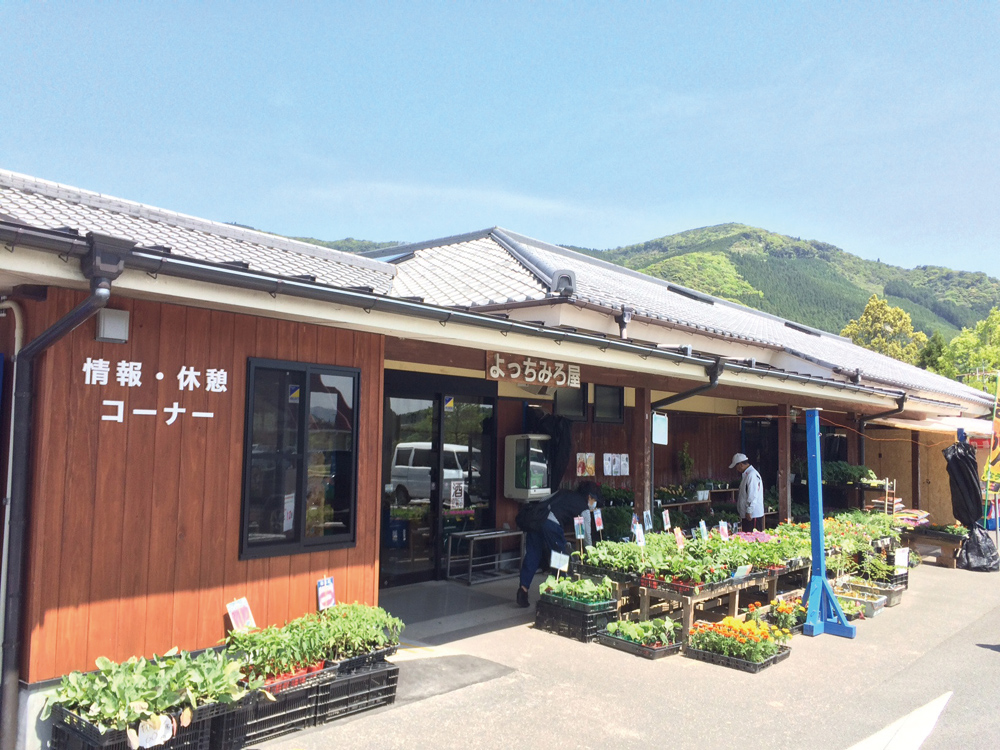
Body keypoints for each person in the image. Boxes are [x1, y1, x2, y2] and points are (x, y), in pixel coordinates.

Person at [515, 481, 601, 608]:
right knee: (560, 557)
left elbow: (543, 499)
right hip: (552, 525)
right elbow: (586, 535)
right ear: (589, 497)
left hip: (536, 521)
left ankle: (523, 589)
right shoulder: (584, 508)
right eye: (594, 500)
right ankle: (559, 592)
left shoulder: (563, 492)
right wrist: (591, 553)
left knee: (533, 554)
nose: (594, 503)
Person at [730, 453, 764, 532]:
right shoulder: (747, 474)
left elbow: (752, 494)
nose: (736, 469)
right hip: (748, 515)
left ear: (741, 465)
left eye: (736, 466)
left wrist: (749, 511)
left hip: (752, 515)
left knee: (753, 536)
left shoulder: (751, 475)